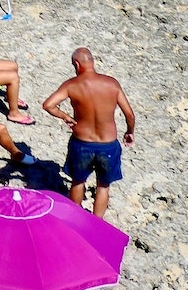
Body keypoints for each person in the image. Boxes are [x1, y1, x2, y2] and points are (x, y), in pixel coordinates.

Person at [42, 48, 135, 220]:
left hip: (82, 143)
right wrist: (129, 132)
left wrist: (65, 117)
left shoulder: (71, 85)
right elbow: (129, 114)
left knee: (78, 182)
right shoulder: (111, 84)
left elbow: (48, 105)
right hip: (108, 145)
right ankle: (96, 222)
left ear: (76, 64)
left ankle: (75, 218)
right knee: (103, 185)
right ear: (93, 62)